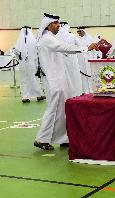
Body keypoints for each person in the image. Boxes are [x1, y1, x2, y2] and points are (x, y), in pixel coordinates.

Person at [34, 13, 98, 150]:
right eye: (56, 23)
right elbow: (65, 47)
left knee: (61, 110)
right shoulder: (46, 39)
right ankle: (41, 139)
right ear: (49, 25)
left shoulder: (51, 38)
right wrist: (86, 48)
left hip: (58, 79)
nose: (58, 26)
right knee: (53, 109)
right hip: (53, 81)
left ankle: (63, 138)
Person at [15, 26, 45, 103]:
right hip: (32, 64)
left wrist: (22, 59)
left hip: (23, 64)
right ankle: (38, 95)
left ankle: (25, 97)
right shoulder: (33, 40)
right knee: (35, 78)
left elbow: (17, 52)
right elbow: (37, 52)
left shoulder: (19, 40)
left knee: (24, 79)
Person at [57, 22, 82, 97]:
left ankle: (65, 95)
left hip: (60, 60)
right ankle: (75, 94)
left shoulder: (56, 37)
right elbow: (79, 46)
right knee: (74, 76)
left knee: (63, 77)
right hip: (72, 59)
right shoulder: (72, 36)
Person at [76, 26, 95, 93]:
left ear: (83, 31)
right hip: (81, 61)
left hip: (88, 59)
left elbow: (94, 50)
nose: (79, 33)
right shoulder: (78, 39)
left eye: (79, 31)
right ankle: (85, 91)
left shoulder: (90, 39)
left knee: (90, 74)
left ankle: (91, 90)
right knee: (83, 76)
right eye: (77, 32)